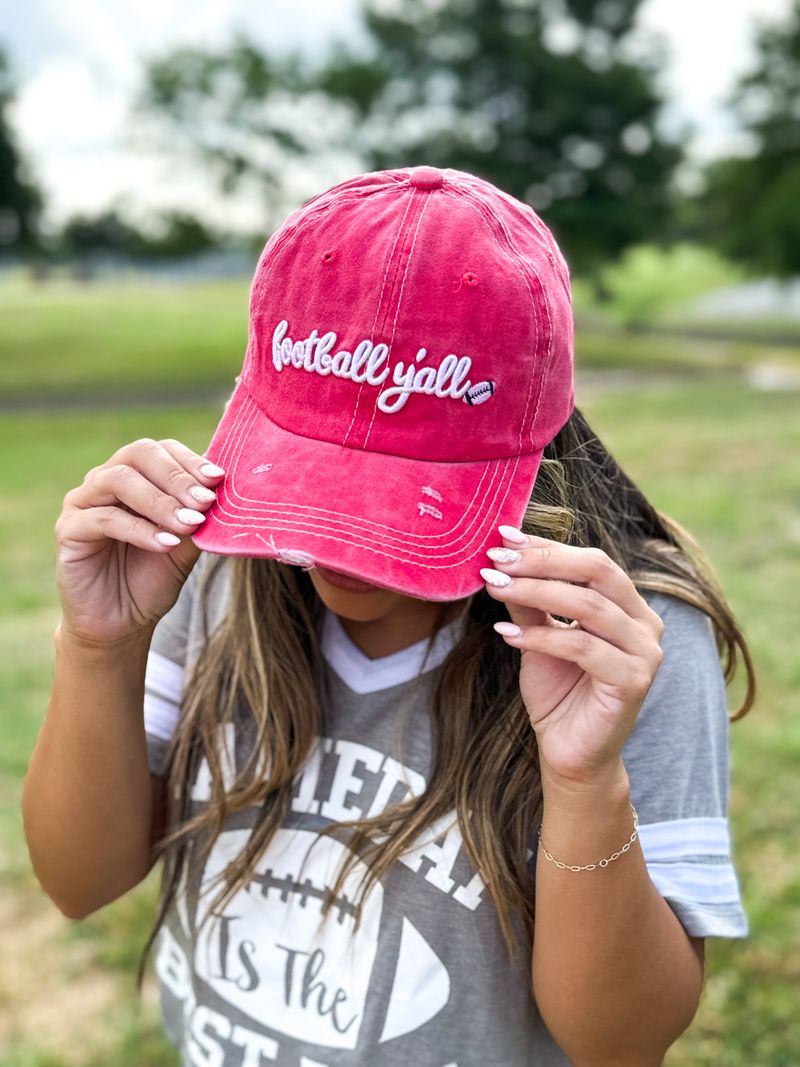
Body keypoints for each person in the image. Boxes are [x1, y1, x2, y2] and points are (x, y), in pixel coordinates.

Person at [23, 165, 753, 1067]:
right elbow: (78, 880)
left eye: (399, 497)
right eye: (314, 479)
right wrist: (101, 647)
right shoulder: (211, 579)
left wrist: (585, 780)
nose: (334, 548)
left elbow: (622, 1040)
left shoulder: (625, 648)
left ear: (535, 440)